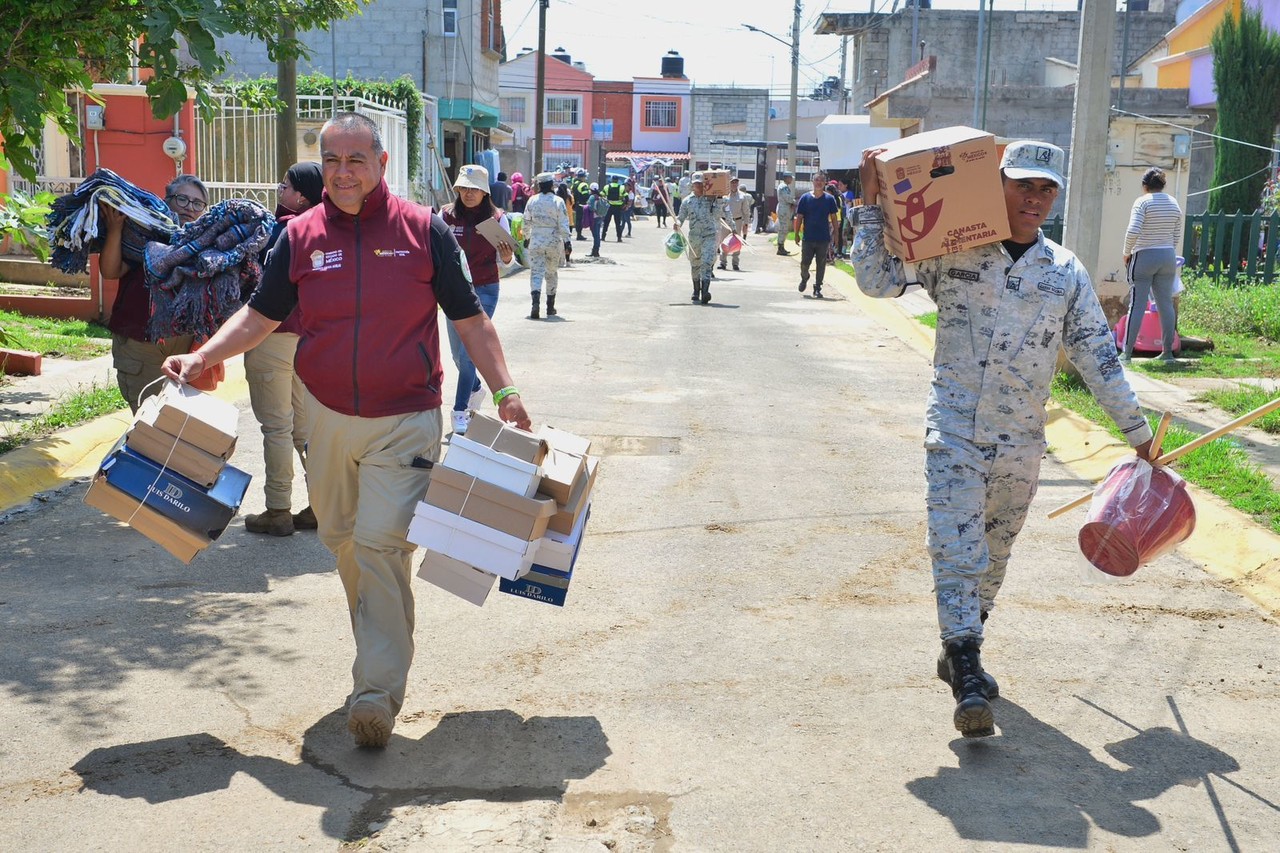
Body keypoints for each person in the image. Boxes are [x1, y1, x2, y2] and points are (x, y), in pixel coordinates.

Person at [160, 112, 531, 750]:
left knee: (382, 544)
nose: (342, 172)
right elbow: (260, 314)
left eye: (355, 160)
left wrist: (504, 391)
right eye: (331, 161)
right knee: (343, 541)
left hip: (405, 419)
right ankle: (377, 650)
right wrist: (205, 355)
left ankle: (377, 692)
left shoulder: (423, 232)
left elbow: (470, 320)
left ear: (382, 163)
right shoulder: (299, 235)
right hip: (327, 417)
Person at [851, 140, 1157, 739]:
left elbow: (1098, 355)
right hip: (956, 429)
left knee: (994, 554)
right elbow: (875, 280)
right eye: (1023, 185)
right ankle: (966, 669)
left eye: (1046, 189)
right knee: (957, 547)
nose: (1035, 199)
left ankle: (963, 643)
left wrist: (1138, 432)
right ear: (996, 187)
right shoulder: (954, 247)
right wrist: (868, 208)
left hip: (1020, 441)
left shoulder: (1064, 272)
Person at [242, 161, 324, 537]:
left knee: (276, 427)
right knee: (302, 427)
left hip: (271, 335)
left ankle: (278, 509)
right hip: (307, 341)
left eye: (286, 186)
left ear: (301, 195)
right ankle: (322, 505)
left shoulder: (286, 231)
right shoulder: (326, 228)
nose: (280, 190)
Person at [99, 174, 209, 412]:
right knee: (149, 421)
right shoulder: (142, 236)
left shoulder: (205, 246)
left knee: (176, 421)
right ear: (166, 200)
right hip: (141, 342)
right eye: (182, 199)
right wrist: (115, 229)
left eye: (197, 203)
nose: (189, 208)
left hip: (184, 344)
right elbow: (110, 271)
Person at [442, 164, 515, 435]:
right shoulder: (446, 216)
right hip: (454, 289)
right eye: (464, 188)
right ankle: (473, 388)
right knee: (457, 356)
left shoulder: (497, 219)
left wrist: (507, 256)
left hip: (485, 288)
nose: (469, 194)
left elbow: (506, 261)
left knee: (469, 351)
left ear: (485, 192)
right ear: (458, 189)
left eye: (475, 189)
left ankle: (460, 410)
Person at [1121, 167, 1183, 364]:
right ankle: (1167, 353)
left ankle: (1126, 353)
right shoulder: (1174, 203)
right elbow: (1176, 235)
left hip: (1144, 255)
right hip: (1167, 256)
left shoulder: (1142, 202)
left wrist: (1126, 252)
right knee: (1165, 304)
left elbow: (1133, 231)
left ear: (1144, 186)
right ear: (1162, 185)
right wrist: (1167, 251)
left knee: (1137, 304)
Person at [674, 172, 729, 304]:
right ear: (692, 186)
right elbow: (680, 217)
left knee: (707, 262)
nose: (698, 186)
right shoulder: (687, 201)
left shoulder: (711, 200)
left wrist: (719, 200)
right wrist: (677, 223)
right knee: (695, 265)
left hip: (709, 235)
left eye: (700, 184)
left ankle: (705, 292)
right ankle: (696, 290)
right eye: (696, 184)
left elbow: (717, 215)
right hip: (694, 238)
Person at [523, 172, 571, 319]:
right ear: (551, 185)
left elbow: (526, 221)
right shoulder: (558, 201)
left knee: (536, 272)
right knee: (551, 272)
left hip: (536, 240)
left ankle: (535, 304)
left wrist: (526, 237)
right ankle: (550, 307)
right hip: (553, 242)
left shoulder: (532, 200)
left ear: (539, 185)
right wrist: (567, 241)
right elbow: (563, 223)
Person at [794, 173, 839, 298]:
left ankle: (818, 287)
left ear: (825, 183)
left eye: (822, 180)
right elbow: (799, 217)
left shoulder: (829, 199)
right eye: (816, 180)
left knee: (821, 264)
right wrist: (797, 233)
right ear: (812, 182)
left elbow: (834, 218)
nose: (819, 182)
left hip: (823, 238)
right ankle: (805, 277)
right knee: (804, 263)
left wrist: (836, 234)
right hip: (808, 237)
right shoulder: (805, 198)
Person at [719, 177, 754, 272]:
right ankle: (722, 262)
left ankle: (735, 263)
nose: (734, 184)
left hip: (737, 221)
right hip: (725, 222)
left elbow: (746, 212)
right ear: (729, 184)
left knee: (737, 242)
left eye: (736, 183)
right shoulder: (724, 196)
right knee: (724, 242)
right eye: (732, 183)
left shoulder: (743, 197)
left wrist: (746, 224)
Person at [775, 172, 797, 255]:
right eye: (790, 178)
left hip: (785, 209)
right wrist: (794, 202)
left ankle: (781, 246)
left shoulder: (785, 186)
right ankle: (780, 247)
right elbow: (788, 198)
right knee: (783, 229)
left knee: (784, 228)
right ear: (787, 178)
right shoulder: (784, 187)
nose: (791, 180)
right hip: (784, 209)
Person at [602, 174, 627, 242]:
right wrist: (625, 204)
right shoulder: (621, 187)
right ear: (617, 180)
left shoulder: (607, 187)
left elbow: (602, 195)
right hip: (618, 207)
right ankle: (619, 238)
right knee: (618, 224)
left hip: (609, 207)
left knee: (606, 222)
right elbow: (626, 196)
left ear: (612, 180)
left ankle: (603, 237)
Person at [588, 183, 608, 258]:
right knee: (597, 234)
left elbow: (591, 207)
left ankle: (595, 252)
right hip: (600, 217)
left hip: (594, 217)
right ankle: (596, 251)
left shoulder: (592, 197)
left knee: (595, 235)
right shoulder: (600, 196)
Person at [571, 169, 591, 241]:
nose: (585, 178)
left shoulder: (574, 184)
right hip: (582, 205)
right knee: (580, 220)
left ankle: (578, 234)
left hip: (575, 204)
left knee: (578, 219)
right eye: (584, 177)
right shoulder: (583, 184)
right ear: (582, 177)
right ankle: (579, 235)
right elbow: (585, 195)